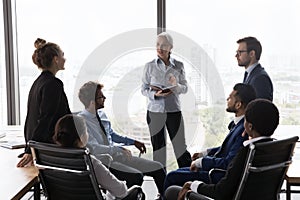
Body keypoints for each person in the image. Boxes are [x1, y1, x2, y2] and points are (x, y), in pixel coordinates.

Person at [165, 99, 280, 200]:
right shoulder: (275, 149)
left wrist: (192, 185)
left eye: (245, 119)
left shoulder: (246, 153)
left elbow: (220, 192)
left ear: (250, 126)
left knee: (171, 191)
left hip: (224, 194)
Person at [78, 81, 166, 200]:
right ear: (92, 101)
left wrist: (133, 142)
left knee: (158, 167)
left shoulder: (102, 114)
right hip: (104, 161)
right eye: (101, 97)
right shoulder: (82, 121)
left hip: (118, 156)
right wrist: (118, 148)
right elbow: (94, 148)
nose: (104, 98)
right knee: (136, 176)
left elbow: (112, 135)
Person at [163, 83, 256, 193]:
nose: (227, 99)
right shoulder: (240, 125)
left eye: (230, 98)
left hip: (216, 175)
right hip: (215, 171)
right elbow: (227, 149)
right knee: (179, 171)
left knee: (172, 176)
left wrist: (201, 162)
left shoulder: (243, 131)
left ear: (238, 105)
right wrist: (204, 153)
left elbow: (228, 163)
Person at [53, 114, 145, 200]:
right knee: (136, 191)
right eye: (86, 131)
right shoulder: (90, 162)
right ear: (82, 137)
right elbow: (121, 191)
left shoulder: (51, 159)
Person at [141, 32, 192, 169]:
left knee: (180, 147)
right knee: (158, 150)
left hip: (174, 111)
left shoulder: (179, 66)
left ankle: (187, 179)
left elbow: (185, 88)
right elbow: (143, 89)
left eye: (163, 45)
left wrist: (175, 85)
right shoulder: (149, 66)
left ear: (171, 47)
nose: (160, 47)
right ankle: (162, 186)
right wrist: (155, 94)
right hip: (154, 112)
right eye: (157, 44)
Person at [17, 38, 71, 167]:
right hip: (48, 148)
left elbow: (32, 118)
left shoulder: (39, 82)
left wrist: (30, 145)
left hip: (40, 147)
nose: (65, 59)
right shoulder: (53, 84)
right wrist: (30, 149)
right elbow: (45, 118)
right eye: (62, 55)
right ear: (55, 59)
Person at [236, 36, 273, 101]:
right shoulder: (249, 74)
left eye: (240, 52)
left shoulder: (260, 78)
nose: (236, 56)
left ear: (252, 54)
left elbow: (261, 108)